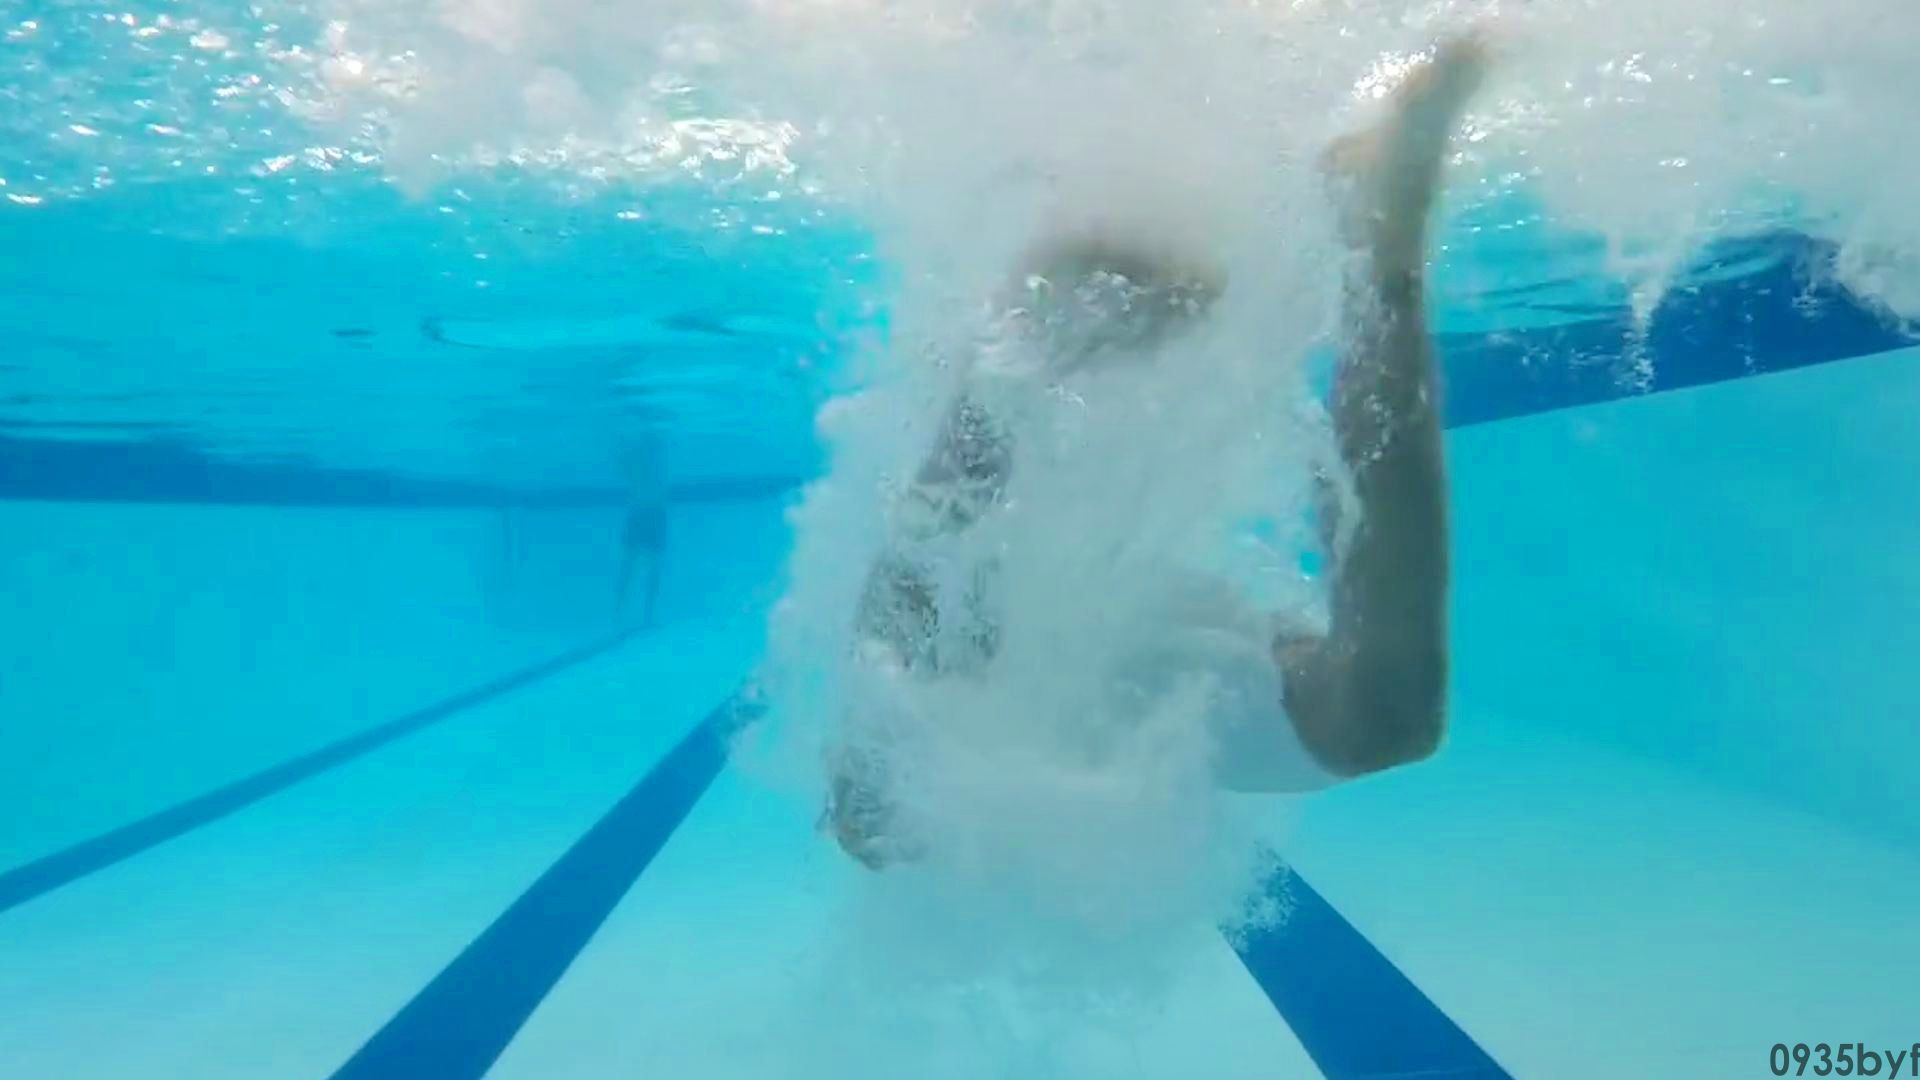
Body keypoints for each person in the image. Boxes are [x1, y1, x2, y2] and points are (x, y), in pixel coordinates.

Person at [824, 33, 1493, 869]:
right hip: (1092, 700)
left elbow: (865, 794)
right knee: (1387, 718)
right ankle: (1377, 250)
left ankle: (1012, 354)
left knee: (880, 793)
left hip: (1015, 672)